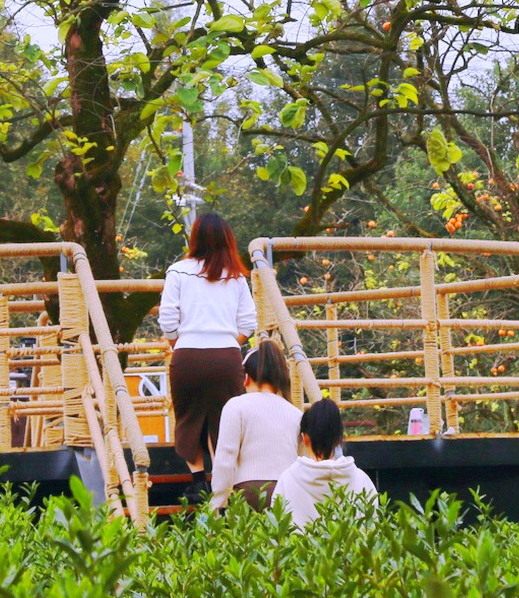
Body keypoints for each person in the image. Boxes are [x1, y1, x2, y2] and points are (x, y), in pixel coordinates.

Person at [159, 212, 257, 483]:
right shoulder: (236, 277)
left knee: (189, 419)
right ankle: (223, 489)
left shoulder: (178, 271)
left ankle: (198, 483)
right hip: (226, 358)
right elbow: (248, 322)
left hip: (187, 356)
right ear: (227, 240)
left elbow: (167, 317)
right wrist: (226, 344)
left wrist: (178, 343)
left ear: (195, 238)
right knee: (224, 423)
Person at [208, 339, 302, 512]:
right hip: (288, 493)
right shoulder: (296, 413)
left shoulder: (236, 406)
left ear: (246, 378)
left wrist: (217, 501)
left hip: (248, 492)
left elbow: (226, 457)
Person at [272, 397, 377, 528]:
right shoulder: (362, 480)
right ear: (339, 438)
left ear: (305, 438)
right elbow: (373, 528)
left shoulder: (287, 480)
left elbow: (276, 531)